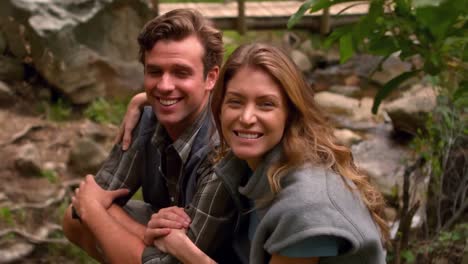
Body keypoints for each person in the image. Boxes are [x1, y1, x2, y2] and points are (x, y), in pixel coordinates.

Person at [127, 43, 390, 263]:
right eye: (236, 102)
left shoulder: (306, 207)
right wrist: (144, 99)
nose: (247, 117)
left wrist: (185, 251)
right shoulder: (252, 165)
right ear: (219, 107)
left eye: (266, 104)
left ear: (291, 112)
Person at [62, 9, 242, 264]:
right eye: (155, 72)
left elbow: (181, 259)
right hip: (168, 240)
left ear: (211, 77)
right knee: (73, 220)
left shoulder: (222, 150)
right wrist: (143, 232)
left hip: (215, 256)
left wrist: (94, 211)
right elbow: (85, 206)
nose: (164, 86)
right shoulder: (147, 116)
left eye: (181, 73)